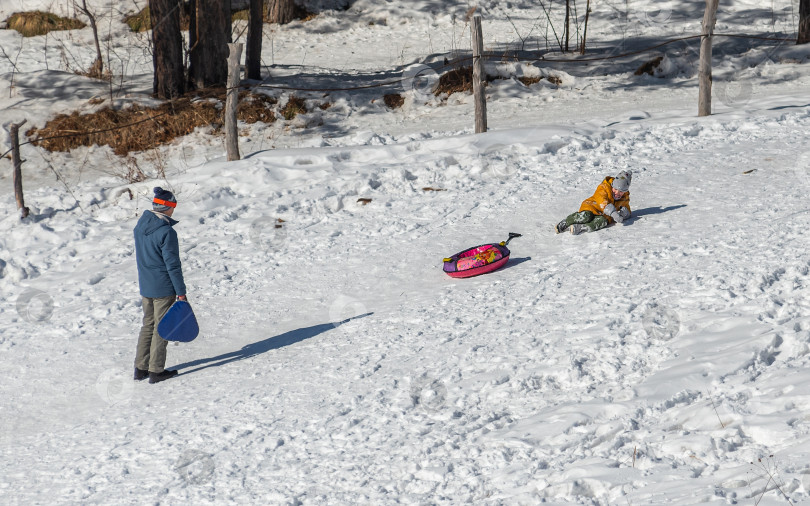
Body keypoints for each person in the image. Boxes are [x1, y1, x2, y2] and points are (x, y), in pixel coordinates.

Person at [133, 187, 187, 384]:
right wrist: (181, 292)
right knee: (161, 328)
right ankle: (156, 370)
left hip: (146, 285)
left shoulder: (140, 226)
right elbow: (172, 265)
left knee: (148, 325)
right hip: (163, 287)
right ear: (169, 207)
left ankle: (140, 368)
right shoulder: (166, 232)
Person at [555, 170, 632, 235]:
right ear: (612, 185)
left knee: (602, 221)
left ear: (625, 191)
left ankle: (581, 227)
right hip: (591, 206)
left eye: (621, 191)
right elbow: (601, 200)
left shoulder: (624, 198)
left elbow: (627, 209)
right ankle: (566, 222)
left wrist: (624, 214)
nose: (617, 193)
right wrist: (613, 212)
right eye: (615, 189)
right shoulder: (604, 187)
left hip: (603, 215)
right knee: (587, 216)